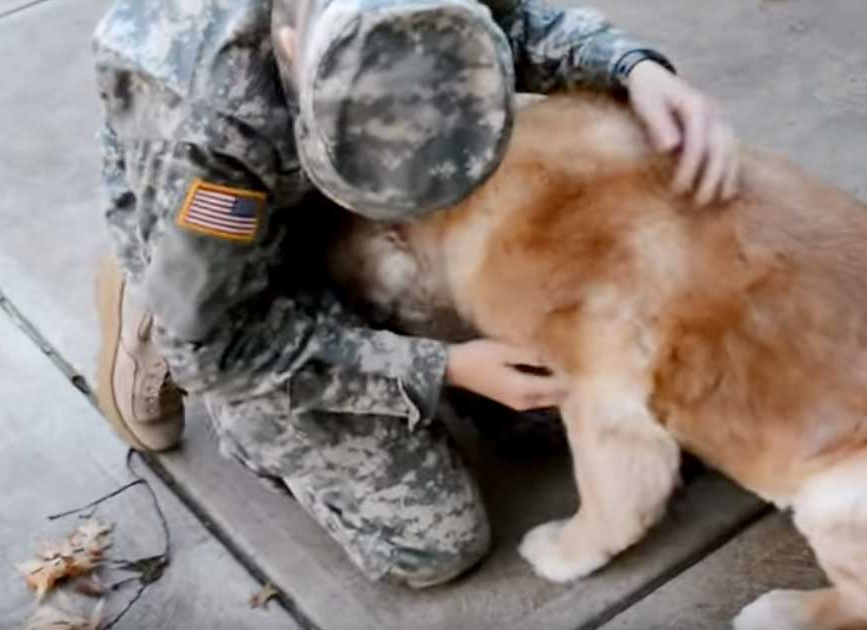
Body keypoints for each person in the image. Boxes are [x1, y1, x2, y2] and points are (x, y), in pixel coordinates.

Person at [90, 0, 738, 588]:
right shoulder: (207, 132)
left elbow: (513, 21)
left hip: (348, 171)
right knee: (431, 543)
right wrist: (440, 367)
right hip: (231, 268)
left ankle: (378, 281)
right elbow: (214, 349)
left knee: (556, 405)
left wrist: (632, 69)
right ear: (291, 47)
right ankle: (146, 297)